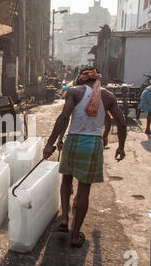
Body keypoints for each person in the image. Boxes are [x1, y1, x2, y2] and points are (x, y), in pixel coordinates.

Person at [43, 66, 127, 248]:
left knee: (66, 179)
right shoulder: (108, 96)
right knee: (83, 190)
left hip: (73, 141)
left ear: (81, 78)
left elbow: (63, 118)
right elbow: (121, 122)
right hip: (93, 145)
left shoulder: (74, 92)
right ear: (97, 78)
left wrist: (50, 143)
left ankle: (65, 217)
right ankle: (74, 235)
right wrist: (121, 146)